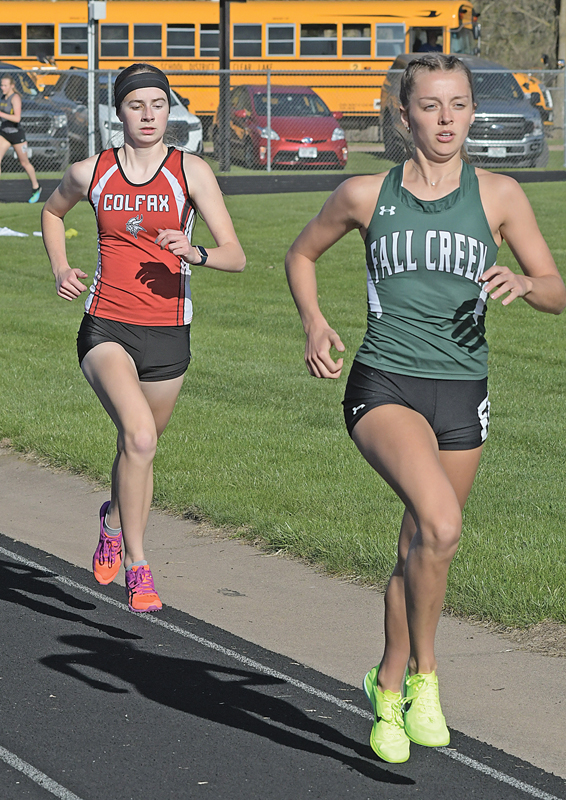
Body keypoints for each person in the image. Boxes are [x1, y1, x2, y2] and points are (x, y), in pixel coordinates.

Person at [285, 53, 565, 764]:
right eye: (432, 106)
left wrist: (526, 284)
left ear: (472, 112)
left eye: (459, 105)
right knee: (442, 525)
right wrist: (315, 322)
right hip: (385, 384)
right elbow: (301, 255)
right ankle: (427, 678)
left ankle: (384, 687)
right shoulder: (363, 194)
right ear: (404, 114)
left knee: (420, 546)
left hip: (463, 392)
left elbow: (556, 288)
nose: (447, 119)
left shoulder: (499, 195)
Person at [42, 63, 245, 613]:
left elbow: (236, 256)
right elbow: (52, 212)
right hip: (106, 325)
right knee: (138, 437)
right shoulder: (92, 172)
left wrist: (195, 252)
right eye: (137, 105)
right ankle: (139, 563)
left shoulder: (191, 172)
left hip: (169, 333)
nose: (149, 114)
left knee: (140, 449)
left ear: (169, 109)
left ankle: (110, 518)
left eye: (158, 104)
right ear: (119, 112)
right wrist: (62, 268)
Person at [0, 74, 42, 203]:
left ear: (12, 86)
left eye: (5, 85)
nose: (2, 87)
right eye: (1, 85)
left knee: (24, 163)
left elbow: (17, 118)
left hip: (16, 134)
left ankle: (36, 187)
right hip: (4, 133)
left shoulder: (15, 98)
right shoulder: (3, 97)